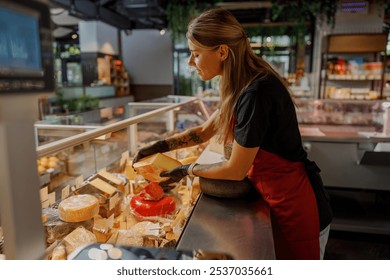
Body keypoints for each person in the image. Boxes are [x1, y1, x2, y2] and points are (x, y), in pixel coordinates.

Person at [133, 8, 331, 260]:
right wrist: (159, 146)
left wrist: (187, 170)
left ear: (222, 52)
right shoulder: (242, 85)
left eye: (195, 54)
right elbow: (205, 131)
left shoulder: (255, 94)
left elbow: (235, 169)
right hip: (275, 197)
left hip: (296, 206)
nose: (190, 63)